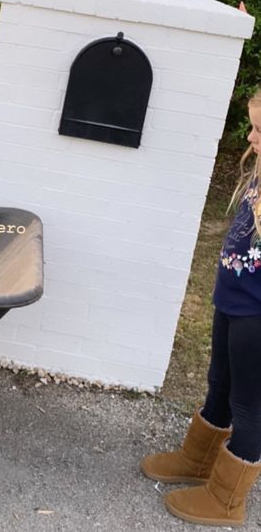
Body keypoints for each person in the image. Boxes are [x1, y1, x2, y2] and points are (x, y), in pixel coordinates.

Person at [140, 88, 261, 526]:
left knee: (250, 407)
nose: (250, 138)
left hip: (257, 315)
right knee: (220, 382)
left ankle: (227, 501)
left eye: (259, 130)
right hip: (233, 300)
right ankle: (198, 458)